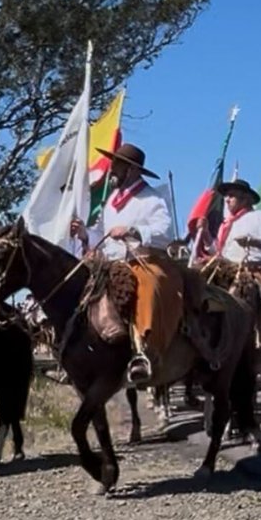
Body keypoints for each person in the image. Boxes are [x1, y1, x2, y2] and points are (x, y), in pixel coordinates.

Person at [68, 143, 183, 384]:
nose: (112, 168)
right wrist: (84, 234)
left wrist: (133, 230)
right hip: (112, 262)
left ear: (132, 170)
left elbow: (166, 231)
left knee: (149, 287)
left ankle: (144, 351)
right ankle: (82, 351)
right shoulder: (111, 202)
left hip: (143, 259)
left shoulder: (152, 198)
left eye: (117, 164)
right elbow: (100, 233)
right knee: (82, 289)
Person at [195, 179, 261, 326]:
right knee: (196, 281)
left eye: (231, 195)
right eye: (226, 196)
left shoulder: (260, 217)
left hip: (250, 268)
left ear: (245, 199)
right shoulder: (226, 223)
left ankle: (258, 328)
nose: (227, 200)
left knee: (252, 293)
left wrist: (252, 241)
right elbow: (217, 251)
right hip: (225, 267)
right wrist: (206, 233)